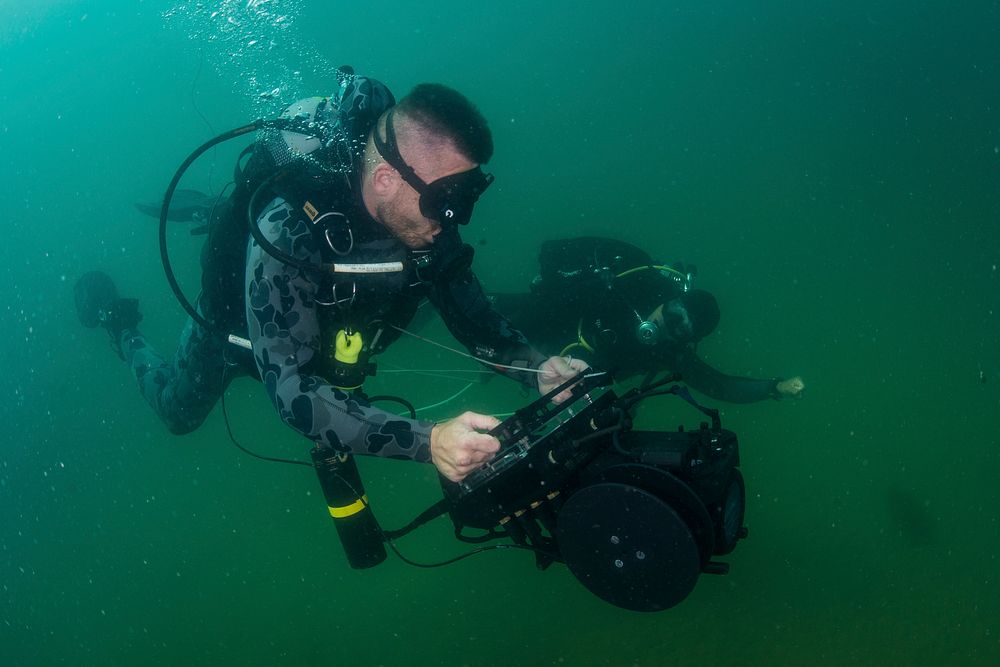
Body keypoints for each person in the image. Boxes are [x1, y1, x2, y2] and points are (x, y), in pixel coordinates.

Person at [75, 71, 585, 483]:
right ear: (387, 178)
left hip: (340, 330)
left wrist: (535, 369)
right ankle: (119, 326)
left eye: (465, 198)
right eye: (446, 201)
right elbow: (292, 390)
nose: (454, 220)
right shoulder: (289, 228)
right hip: (238, 327)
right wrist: (428, 441)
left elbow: (472, 316)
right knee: (177, 413)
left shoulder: (428, 218)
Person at [491, 236, 805, 403]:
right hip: (539, 321)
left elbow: (718, 385)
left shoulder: (667, 352)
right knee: (479, 316)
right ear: (668, 300)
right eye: (671, 314)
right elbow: (552, 267)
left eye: (679, 330)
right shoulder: (633, 282)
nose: (663, 325)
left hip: (553, 377)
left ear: (685, 340)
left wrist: (773, 388)